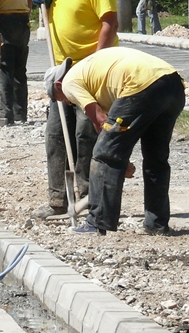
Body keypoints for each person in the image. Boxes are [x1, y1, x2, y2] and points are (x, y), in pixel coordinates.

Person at [31, 0, 118, 220]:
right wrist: (43, 2)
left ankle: (86, 197)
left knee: (84, 131)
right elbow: (58, 11)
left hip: (91, 67)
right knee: (56, 132)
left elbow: (109, 23)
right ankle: (57, 199)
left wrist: (94, 65)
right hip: (62, 68)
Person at [45, 47, 184, 236]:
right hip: (172, 84)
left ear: (59, 85)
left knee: (103, 156)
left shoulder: (70, 83)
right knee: (156, 158)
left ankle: (97, 222)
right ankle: (156, 224)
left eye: (60, 99)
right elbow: (106, 126)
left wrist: (118, 160)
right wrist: (121, 158)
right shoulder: (91, 74)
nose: (67, 103)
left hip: (141, 85)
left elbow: (102, 121)